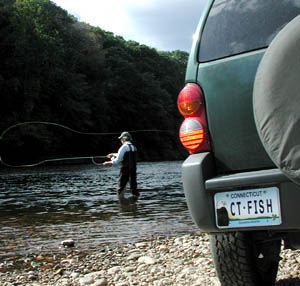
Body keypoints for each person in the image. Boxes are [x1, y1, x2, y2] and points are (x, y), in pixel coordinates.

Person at [103, 131, 139, 199]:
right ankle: (135, 205)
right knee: (134, 189)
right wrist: (112, 154)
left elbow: (117, 161)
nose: (120, 140)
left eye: (121, 138)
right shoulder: (133, 147)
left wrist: (108, 163)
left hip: (125, 171)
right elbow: (124, 155)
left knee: (120, 189)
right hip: (133, 171)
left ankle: (121, 205)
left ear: (124, 139)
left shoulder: (124, 146)